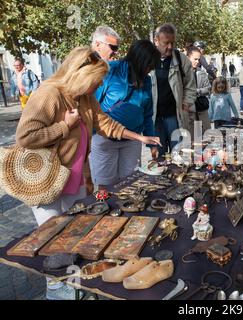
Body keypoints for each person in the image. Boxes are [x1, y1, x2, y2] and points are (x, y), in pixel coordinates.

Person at [15, 47, 160, 299]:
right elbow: (25, 136)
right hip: (45, 180)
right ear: (81, 75)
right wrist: (64, 126)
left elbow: (105, 123)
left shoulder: (84, 97)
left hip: (75, 176)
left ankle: (74, 283)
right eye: (96, 81)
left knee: (75, 234)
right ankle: (55, 290)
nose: (98, 86)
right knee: (52, 240)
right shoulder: (49, 94)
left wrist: (139, 136)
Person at [89, 40, 161, 190]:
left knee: (131, 184)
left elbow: (147, 114)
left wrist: (151, 143)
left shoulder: (146, 81)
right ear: (139, 61)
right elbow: (92, 105)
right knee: (106, 187)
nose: (150, 70)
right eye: (149, 66)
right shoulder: (110, 71)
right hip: (105, 140)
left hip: (132, 140)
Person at [150, 23, 197, 154]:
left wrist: (186, 103)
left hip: (175, 117)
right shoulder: (147, 59)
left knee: (180, 156)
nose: (170, 47)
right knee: (159, 158)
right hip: (155, 119)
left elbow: (190, 85)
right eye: (166, 43)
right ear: (156, 41)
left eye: (173, 43)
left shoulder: (182, 60)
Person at [187, 46, 211, 134]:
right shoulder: (181, 73)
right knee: (192, 139)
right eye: (195, 59)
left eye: (199, 59)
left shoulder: (201, 72)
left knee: (206, 137)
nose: (197, 62)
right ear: (188, 58)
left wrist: (197, 91)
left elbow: (208, 88)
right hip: (189, 111)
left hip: (201, 108)